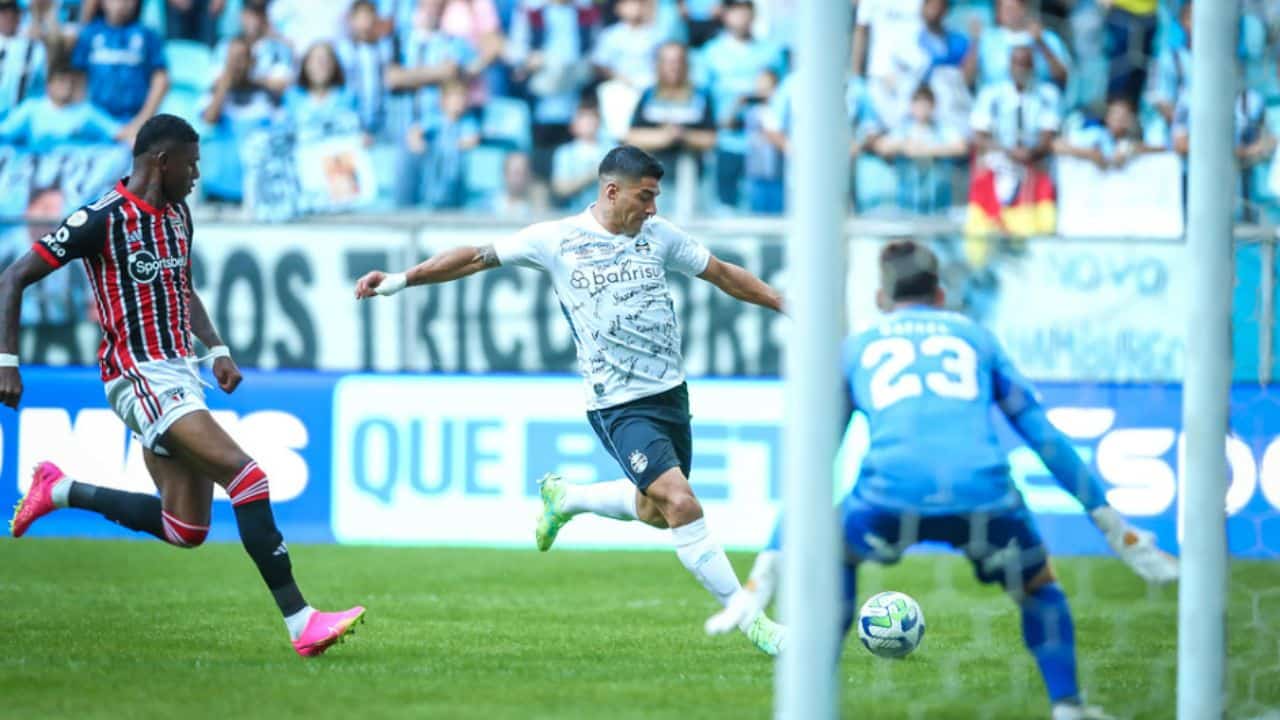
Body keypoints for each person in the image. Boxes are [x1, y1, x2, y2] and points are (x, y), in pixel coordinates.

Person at [705, 240, 1179, 720]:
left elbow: (814, 463)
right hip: (985, 493)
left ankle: (809, 708)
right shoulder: (978, 338)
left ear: (879, 298)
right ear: (940, 292)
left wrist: (764, 571)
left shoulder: (857, 348)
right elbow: (1043, 437)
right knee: (1039, 586)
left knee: (833, 563)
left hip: (888, 493)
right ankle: (1069, 708)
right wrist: (1119, 531)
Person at [354, 144, 787, 656]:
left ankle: (568, 498)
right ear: (611, 191)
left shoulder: (659, 236)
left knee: (655, 511)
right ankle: (751, 619)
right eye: (645, 197)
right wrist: (401, 280)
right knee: (680, 502)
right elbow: (474, 257)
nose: (652, 208)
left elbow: (722, 273)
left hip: (671, 393)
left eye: (656, 198)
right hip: (617, 403)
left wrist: (786, 303)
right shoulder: (555, 239)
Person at [3, 114, 365, 658]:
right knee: (247, 477)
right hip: (137, 375)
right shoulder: (101, 218)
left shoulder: (177, 214)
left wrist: (215, 349)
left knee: (185, 528)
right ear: (161, 161)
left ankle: (59, 489)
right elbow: (13, 278)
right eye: (191, 163)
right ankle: (302, 621)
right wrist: (7, 361)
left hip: (182, 375)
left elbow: (182, 287)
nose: (198, 173)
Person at [0, 63, 125, 151]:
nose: (67, 87)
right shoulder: (31, 107)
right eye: (61, 81)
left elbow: (118, 133)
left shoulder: (86, 111)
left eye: (70, 82)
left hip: (75, 172)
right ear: (48, 86)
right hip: (36, 169)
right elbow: (5, 132)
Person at [0, 0, 48, 119]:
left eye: (13, 13)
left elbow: (43, 87)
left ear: (20, 16)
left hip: (18, 119)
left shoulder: (34, 49)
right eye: (3, 13)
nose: (8, 18)